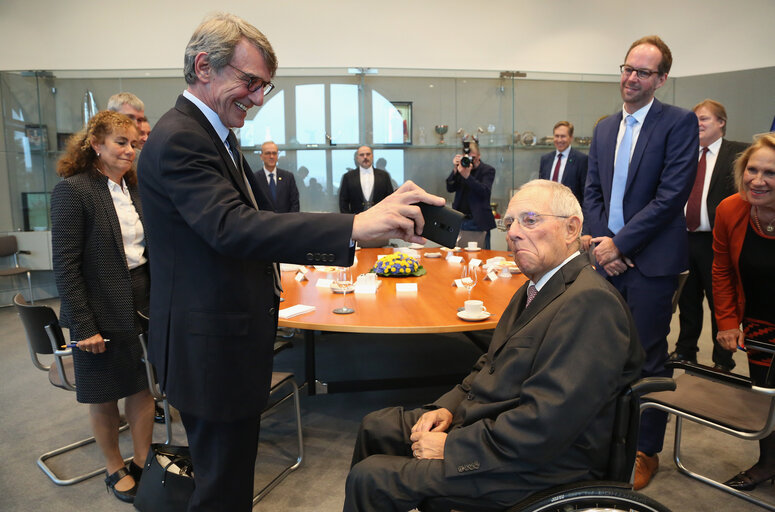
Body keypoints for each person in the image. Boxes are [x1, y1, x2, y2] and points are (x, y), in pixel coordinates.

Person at [137, 13, 444, 512]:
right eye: (251, 83)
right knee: (220, 491)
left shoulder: (215, 135)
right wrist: (353, 226)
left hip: (224, 344)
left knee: (231, 481)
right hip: (209, 351)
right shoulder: (181, 137)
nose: (259, 99)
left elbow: (261, 221)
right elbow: (231, 227)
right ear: (203, 66)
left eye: (265, 87)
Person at [344, 180, 644, 511]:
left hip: (542, 464)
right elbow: (487, 365)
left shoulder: (590, 303)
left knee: (371, 478)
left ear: (572, 229)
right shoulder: (535, 289)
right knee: (376, 427)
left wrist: (453, 447)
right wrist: (447, 408)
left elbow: (546, 424)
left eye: (529, 220)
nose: (513, 233)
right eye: (510, 222)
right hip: (498, 428)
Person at [584, 35, 698, 489]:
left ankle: (645, 451)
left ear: (661, 79)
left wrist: (621, 245)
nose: (631, 78)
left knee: (648, 357)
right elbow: (592, 189)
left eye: (643, 72)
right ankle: (606, 438)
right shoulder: (605, 127)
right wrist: (599, 245)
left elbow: (671, 197)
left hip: (650, 264)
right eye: (627, 68)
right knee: (602, 354)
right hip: (605, 261)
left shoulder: (678, 123)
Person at [51, 110, 153, 503]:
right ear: (95, 145)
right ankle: (114, 467)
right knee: (104, 393)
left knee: (142, 387)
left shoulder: (134, 188)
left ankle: (143, 459)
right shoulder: (74, 190)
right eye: (120, 143)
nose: (129, 151)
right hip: (99, 308)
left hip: (142, 300)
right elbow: (66, 265)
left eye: (132, 144)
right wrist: (83, 325)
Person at [712, 133, 775, 491]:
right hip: (759, 327)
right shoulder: (730, 209)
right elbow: (721, 269)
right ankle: (767, 463)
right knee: (764, 400)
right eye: (753, 169)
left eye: (770, 173)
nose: (758, 180)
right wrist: (726, 322)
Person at [672, 99, 748, 371]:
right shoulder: (683, 152)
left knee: (720, 302)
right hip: (683, 239)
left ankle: (722, 360)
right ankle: (685, 351)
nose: (698, 125)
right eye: (695, 120)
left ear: (721, 123)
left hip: (718, 242)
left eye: (704, 119)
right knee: (687, 300)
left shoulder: (739, 154)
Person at [447, 140, 496, 248]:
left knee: (482, 255)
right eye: (467, 158)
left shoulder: (487, 170)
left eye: (472, 158)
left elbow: (484, 192)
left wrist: (467, 177)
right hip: (460, 219)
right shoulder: (461, 169)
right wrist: (455, 170)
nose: (470, 161)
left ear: (479, 156)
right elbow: (450, 188)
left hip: (478, 221)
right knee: (458, 254)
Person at [339, 145, 394, 213]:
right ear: (357, 158)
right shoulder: (348, 177)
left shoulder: (384, 176)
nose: (365, 157)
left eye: (368, 154)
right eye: (362, 155)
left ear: (372, 156)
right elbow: (343, 202)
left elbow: (390, 199)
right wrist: (349, 220)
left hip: (380, 219)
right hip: (357, 220)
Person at [253, 140, 299, 212]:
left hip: (286, 221)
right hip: (264, 222)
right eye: (268, 153)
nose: (271, 156)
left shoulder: (288, 177)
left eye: (274, 153)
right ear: (261, 156)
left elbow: (295, 204)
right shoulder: (254, 178)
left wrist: (290, 222)